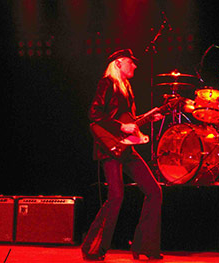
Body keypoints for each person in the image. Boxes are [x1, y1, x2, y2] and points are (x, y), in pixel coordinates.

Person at [82, 49, 164, 261]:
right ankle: (93, 247)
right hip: (110, 147)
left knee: (154, 190)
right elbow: (94, 115)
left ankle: (145, 246)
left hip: (127, 148)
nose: (135, 66)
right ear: (118, 63)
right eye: (131, 62)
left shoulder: (126, 87)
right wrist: (120, 127)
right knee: (116, 196)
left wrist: (147, 118)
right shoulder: (107, 84)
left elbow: (129, 119)